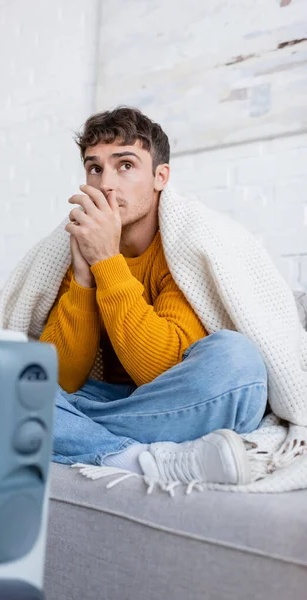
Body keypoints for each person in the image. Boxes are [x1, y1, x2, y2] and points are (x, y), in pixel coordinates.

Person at [40, 106, 268, 488]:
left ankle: (74, 434)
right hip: (114, 399)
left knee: (238, 361)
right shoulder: (82, 246)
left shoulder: (185, 247)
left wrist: (107, 261)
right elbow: (62, 377)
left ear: (161, 177)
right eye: (95, 168)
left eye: (125, 165)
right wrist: (84, 275)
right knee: (11, 383)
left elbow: (159, 370)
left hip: (181, 394)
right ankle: (139, 458)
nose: (106, 184)